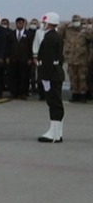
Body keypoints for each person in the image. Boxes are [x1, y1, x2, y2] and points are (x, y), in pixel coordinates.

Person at [36, 12, 65, 143]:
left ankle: (53, 133)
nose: (43, 25)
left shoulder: (50, 38)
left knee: (53, 103)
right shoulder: (56, 36)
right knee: (56, 103)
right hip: (55, 73)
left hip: (51, 74)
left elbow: (47, 59)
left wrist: (45, 77)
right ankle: (57, 132)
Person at [61, 14, 92, 103]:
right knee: (73, 77)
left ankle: (82, 94)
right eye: (74, 21)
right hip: (71, 58)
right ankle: (75, 94)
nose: (75, 23)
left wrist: (88, 27)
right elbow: (59, 33)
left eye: (77, 21)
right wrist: (65, 25)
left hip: (82, 58)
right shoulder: (67, 30)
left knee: (82, 77)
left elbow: (91, 37)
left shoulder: (85, 31)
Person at [7, 17, 33, 99]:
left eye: (21, 23)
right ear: (16, 24)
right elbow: (7, 46)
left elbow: (31, 47)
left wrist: (30, 58)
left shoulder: (29, 34)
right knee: (13, 76)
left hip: (24, 59)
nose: (19, 25)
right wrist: (7, 57)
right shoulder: (11, 33)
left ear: (24, 24)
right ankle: (13, 93)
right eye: (18, 23)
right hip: (13, 59)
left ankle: (23, 93)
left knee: (24, 77)